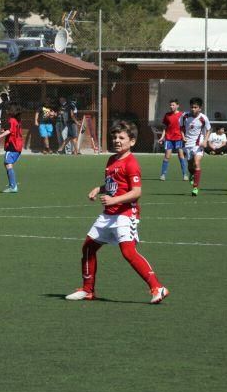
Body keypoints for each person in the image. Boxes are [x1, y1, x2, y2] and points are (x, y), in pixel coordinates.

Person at [65, 121, 169, 304]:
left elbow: (136, 192)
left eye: (122, 138)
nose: (117, 140)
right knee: (88, 247)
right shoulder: (112, 160)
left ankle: (157, 287)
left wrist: (114, 200)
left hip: (125, 213)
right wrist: (99, 189)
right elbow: (114, 185)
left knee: (128, 252)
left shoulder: (131, 163)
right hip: (109, 213)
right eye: (114, 137)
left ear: (132, 141)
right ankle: (88, 290)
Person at [181, 97, 211, 197]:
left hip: (198, 144)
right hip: (188, 144)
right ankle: (192, 174)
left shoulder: (203, 118)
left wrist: (205, 141)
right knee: (190, 165)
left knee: (197, 163)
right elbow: (181, 127)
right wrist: (183, 136)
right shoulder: (184, 116)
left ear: (200, 108)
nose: (193, 109)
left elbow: (208, 130)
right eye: (192, 107)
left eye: (195, 107)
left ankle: (195, 187)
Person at [0, 104, 24, 193]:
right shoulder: (17, 120)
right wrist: (4, 130)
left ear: (11, 111)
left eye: (8, 109)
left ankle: (13, 186)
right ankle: (12, 184)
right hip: (18, 146)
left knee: (8, 164)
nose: (6, 111)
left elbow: (10, 131)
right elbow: (11, 131)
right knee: (7, 164)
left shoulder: (12, 120)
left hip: (13, 146)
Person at [158, 99, 188, 180]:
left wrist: (185, 136)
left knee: (181, 155)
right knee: (167, 156)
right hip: (169, 138)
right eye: (170, 105)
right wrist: (162, 137)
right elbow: (165, 127)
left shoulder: (182, 115)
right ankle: (163, 175)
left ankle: (185, 175)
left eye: (173, 105)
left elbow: (185, 126)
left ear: (177, 106)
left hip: (179, 138)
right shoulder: (167, 115)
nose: (171, 106)